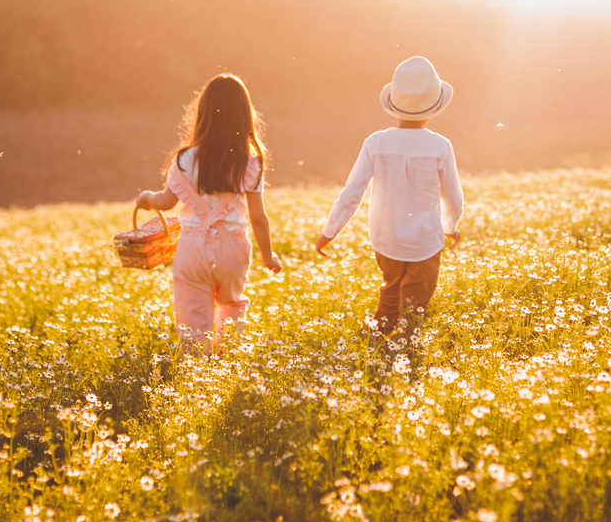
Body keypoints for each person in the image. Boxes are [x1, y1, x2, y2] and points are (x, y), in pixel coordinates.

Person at [316, 56, 464, 341]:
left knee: (390, 289)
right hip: (425, 242)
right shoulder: (440, 146)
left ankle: (379, 337)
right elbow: (453, 196)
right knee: (415, 303)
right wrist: (450, 226)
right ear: (434, 108)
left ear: (394, 103)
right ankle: (404, 348)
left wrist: (330, 230)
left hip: (387, 240)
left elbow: (352, 192)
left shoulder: (376, 143)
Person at [136, 74, 282, 354]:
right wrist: (268, 256)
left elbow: (165, 202)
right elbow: (259, 218)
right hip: (233, 251)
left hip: (192, 249)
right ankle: (226, 362)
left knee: (192, 317)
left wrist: (147, 199)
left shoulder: (184, 159)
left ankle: (196, 368)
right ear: (244, 116)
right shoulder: (251, 162)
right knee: (231, 305)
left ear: (202, 114)